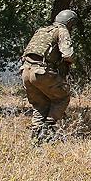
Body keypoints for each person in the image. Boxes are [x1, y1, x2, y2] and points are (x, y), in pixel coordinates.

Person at [20, 9, 77, 144]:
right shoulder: (62, 30)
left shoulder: (41, 30)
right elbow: (67, 54)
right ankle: (48, 128)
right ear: (69, 23)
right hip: (41, 72)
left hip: (26, 71)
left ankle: (36, 137)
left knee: (40, 105)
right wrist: (74, 60)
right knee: (63, 97)